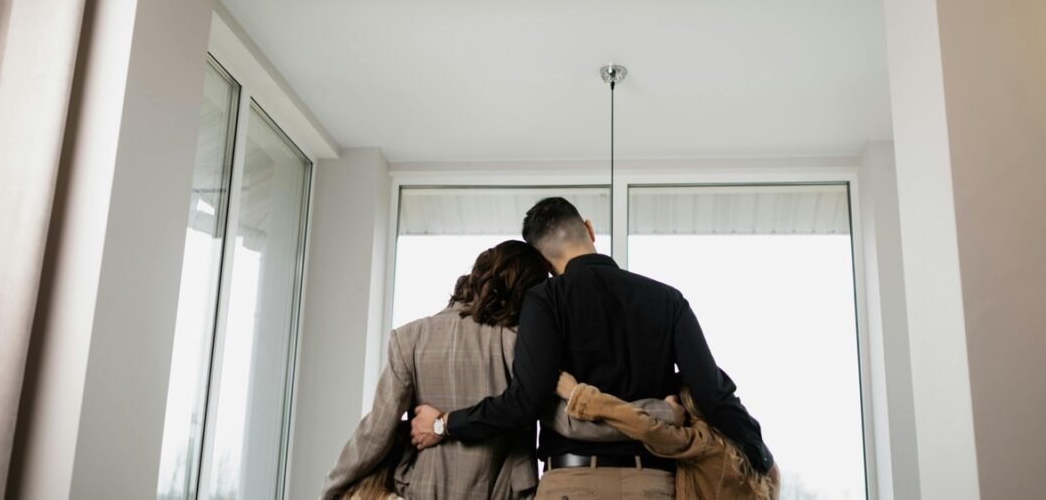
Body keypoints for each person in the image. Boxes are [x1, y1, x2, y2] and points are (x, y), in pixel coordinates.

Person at [411, 197, 775, 499]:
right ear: (588, 229)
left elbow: (524, 402)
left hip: (571, 485)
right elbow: (711, 393)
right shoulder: (668, 299)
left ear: (543, 261)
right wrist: (758, 452)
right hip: (653, 485)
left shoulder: (544, 299)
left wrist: (445, 424)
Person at [319, 240, 549, 500]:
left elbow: (375, 432)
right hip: (501, 490)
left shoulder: (411, 338)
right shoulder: (518, 343)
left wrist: (332, 487)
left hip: (426, 489)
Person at [555, 372, 778, 500]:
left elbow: (645, 427)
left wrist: (581, 396)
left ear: (689, 403)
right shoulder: (758, 458)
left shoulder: (702, 442)